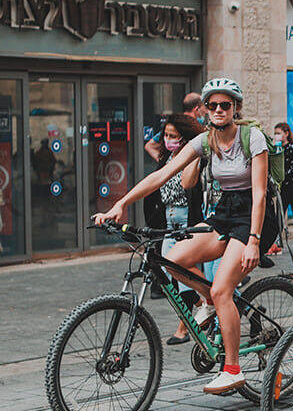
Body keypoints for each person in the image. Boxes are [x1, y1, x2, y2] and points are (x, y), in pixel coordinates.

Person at [93, 79, 279, 394]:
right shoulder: (205, 141)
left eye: (225, 105)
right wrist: (121, 204)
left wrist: (254, 241)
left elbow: (260, 194)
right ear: (205, 109)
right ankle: (207, 300)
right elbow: (161, 174)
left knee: (223, 289)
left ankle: (232, 368)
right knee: (171, 259)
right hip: (226, 211)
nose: (219, 110)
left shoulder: (252, 138)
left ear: (235, 109)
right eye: (213, 105)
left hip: (255, 216)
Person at [157, 114, 207, 346]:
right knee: (170, 274)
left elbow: (190, 187)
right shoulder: (168, 157)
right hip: (169, 223)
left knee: (184, 274)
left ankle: (184, 327)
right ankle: (206, 308)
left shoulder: (191, 157)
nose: (168, 140)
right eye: (165, 135)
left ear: (185, 138)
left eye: (173, 136)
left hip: (186, 219)